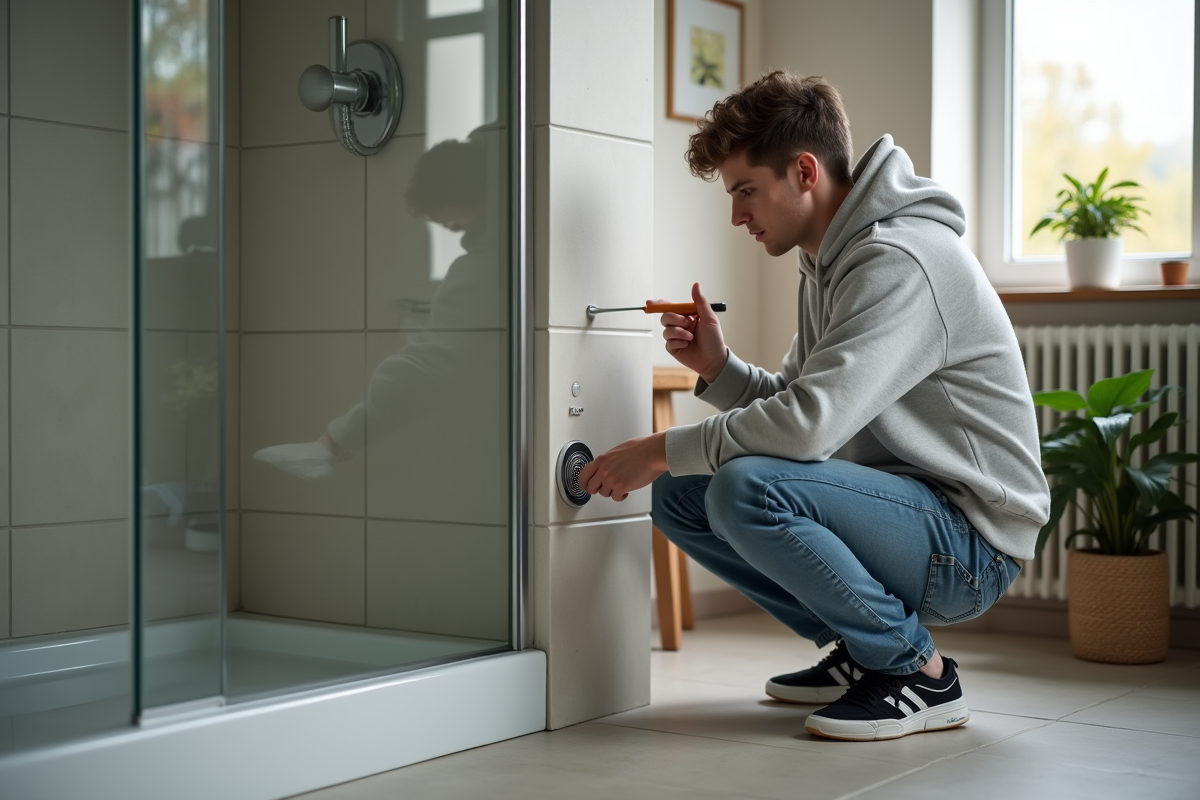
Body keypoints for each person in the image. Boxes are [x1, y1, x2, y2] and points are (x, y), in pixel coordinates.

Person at [576, 71, 1050, 742]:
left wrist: (658, 448)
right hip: (909, 507)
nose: (737, 216)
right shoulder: (829, 259)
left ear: (803, 172)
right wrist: (719, 368)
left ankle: (919, 673)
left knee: (740, 486)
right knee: (680, 492)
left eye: (745, 191)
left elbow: (807, 428)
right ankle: (865, 653)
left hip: (971, 542)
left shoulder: (898, 260)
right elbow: (804, 411)